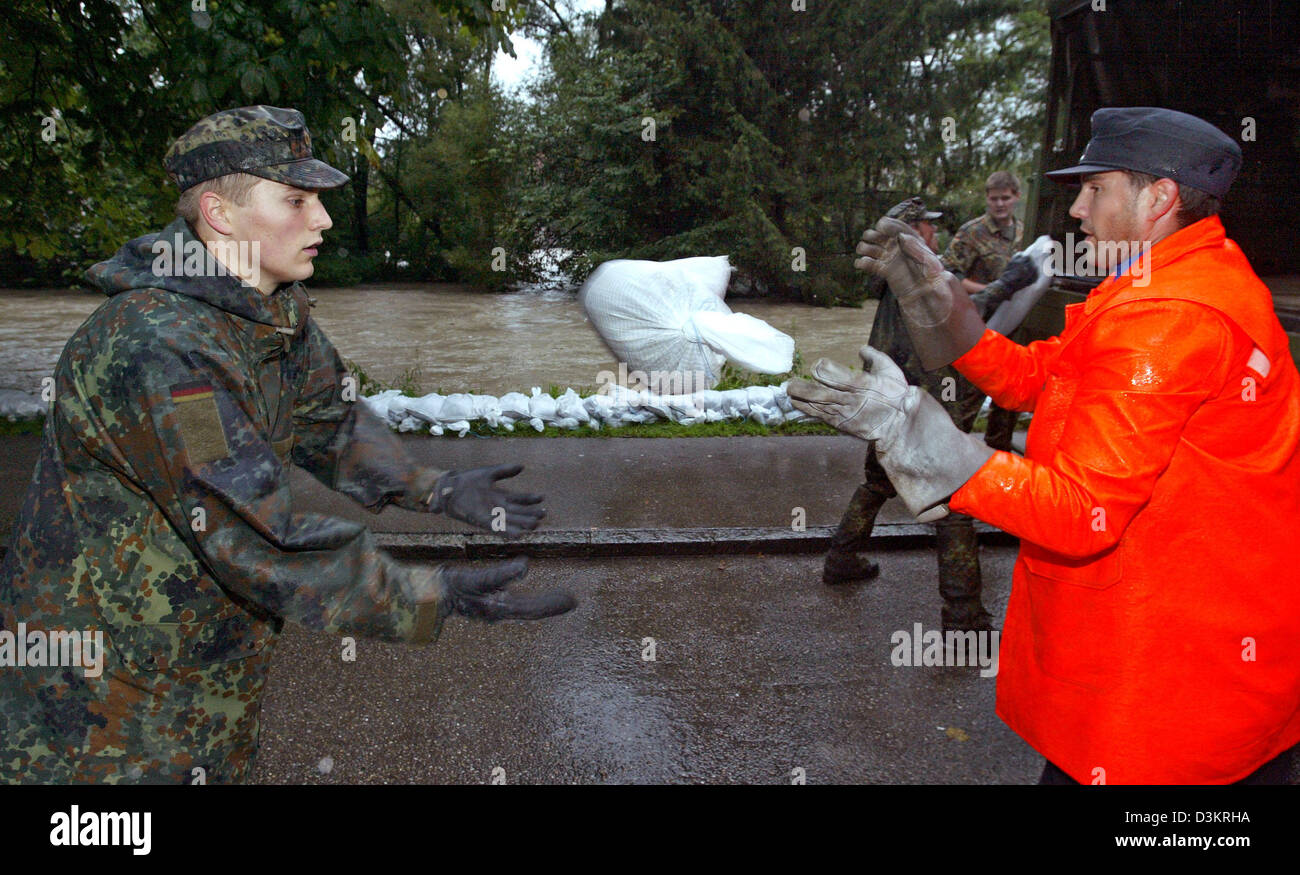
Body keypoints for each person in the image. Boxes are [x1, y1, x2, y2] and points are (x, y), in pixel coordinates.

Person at [0, 106, 575, 784]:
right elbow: (254, 529)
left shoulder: (269, 310)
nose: (323, 219)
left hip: (201, 679)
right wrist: (424, 592)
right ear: (219, 214)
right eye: (295, 199)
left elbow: (331, 416)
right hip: (104, 717)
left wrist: (431, 486)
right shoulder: (158, 348)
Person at [791, 106, 1300, 784]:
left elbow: (1080, 510)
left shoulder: (1171, 318)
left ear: (1161, 197)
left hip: (1167, 704)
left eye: (1096, 189)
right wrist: (944, 312)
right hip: (1205, 670)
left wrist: (932, 445)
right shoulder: (1187, 278)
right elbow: (1043, 377)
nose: (1079, 210)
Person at [822, 197, 995, 634]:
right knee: (953, 500)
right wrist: (1012, 284)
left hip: (890, 392)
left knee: (878, 480)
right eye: (926, 227)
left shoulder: (890, 277)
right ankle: (963, 618)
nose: (934, 233)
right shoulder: (918, 275)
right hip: (926, 399)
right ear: (910, 235)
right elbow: (965, 316)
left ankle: (842, 557)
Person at [941, 171, 1025, 454]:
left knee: (1009, 395)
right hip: (978, 327)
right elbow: (949, 274)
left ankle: (998, 457)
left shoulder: (1026, 232)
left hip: (1015, 328)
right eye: (994, 199)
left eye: (1005, 198)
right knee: (966, 397)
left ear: (1017, 197)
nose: (1000, 204)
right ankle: (950, 460)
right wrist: (992, 289)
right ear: (987, 199)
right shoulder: (972, 232)